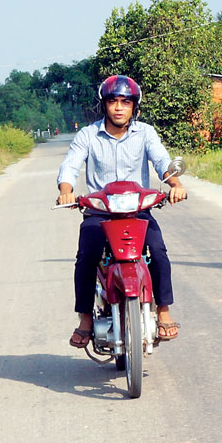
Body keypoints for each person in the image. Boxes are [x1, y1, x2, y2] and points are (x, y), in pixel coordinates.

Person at [56, 74, 187, 348]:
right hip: (100, 213)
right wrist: (65, 190)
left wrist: (175, 183)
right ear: (103, 105)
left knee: (158, 251)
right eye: (113, 101)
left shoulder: (145, 133)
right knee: (86, 257)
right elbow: (71, 164)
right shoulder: (88, 135)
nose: (118, 107)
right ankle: (85, 319)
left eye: (125, 102)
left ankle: (163, 310)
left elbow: (162, 160)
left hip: (137, 212)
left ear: (133, 107)